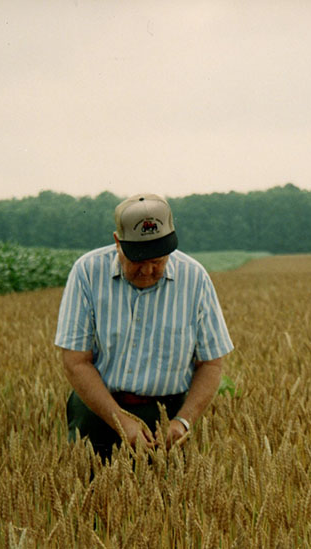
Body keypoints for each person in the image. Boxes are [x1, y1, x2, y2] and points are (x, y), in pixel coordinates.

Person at [54, 193, 233, 460]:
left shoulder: (195, 278)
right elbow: (75, 362)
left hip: (167, 415)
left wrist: (182, 422)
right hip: (98, 410)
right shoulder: (87, 273)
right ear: (118, 242)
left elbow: (211, 364)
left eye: (158, 260)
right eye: (138, 260)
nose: (148, 270)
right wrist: (121, 422)